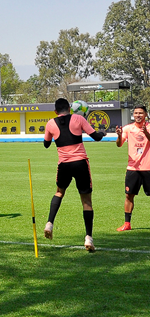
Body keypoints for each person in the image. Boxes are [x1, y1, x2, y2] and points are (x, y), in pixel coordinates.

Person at [43, 98, 105, 252]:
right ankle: (88, 238)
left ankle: (49, 223)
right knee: (86, 202)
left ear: (56, 111)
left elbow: (46, 144)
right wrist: (102, 132)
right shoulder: (79, 118)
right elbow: (96, 137)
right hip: (80, 163)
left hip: (64, 165)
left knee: (59, 192)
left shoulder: (50, 123)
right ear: (69, 109)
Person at [114, 105, 150, 232]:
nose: (138, 115)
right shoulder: (128, 128)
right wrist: (119, 136)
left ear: (145, 114)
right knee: (129, 195)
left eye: (140, 113)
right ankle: (127, 224)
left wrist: (145, 132)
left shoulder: (149, 127)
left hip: (148, 168)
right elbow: (119, 145)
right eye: (135, 113)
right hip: (133, 168)